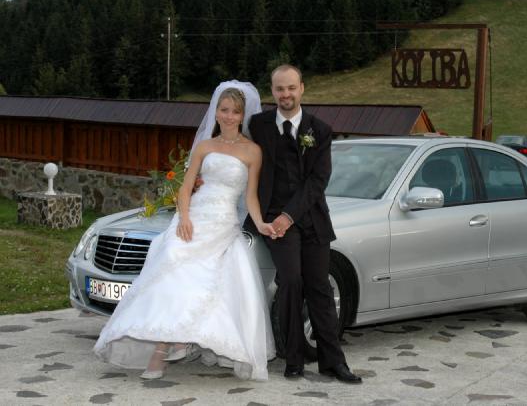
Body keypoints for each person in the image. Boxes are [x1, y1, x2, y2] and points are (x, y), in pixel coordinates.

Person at [93, 81, 276, 381]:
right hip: (193, 219)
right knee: (172, 268)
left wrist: (262, 224)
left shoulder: (253, 152)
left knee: (200, 282)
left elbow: (251, 197)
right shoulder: (205, 146)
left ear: (243, 115)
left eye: (235, 111)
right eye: (224, 110)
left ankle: (170, 346)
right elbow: (186, 186)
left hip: (223, 225)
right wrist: (184, 217)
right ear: (216, 112)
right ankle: (167, 345)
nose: (229, 116)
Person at [244, 64, 362, 383]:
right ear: (272, 92)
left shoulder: (319, 130)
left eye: (291, 88)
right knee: (291, 281)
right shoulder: (258, 125)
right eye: (280, 89)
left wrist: (290, 215)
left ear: (302, 88)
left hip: (312, 219)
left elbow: (317, 181)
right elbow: (235, 150)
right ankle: (293, 358)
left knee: (320, 287)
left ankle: (332, 362)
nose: (286, 94)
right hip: (273, 221)